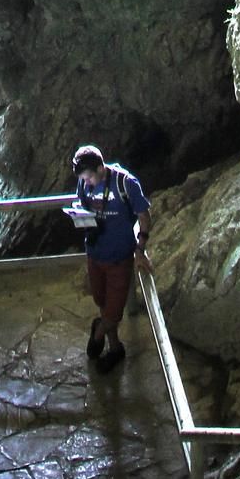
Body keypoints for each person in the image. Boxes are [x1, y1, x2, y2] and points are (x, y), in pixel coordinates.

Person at [70, 143, 151, 372]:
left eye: (89, 178)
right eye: (83, 179)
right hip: (95, 253)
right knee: (102, 302)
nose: (86, 183)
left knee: (113, 311)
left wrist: (140, 249)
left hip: (118, 258)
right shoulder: (83, 182)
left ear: (100, 168)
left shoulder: (125, 184)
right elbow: (82, 202)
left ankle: (99, 333)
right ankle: (115, 348)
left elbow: (144, 217)